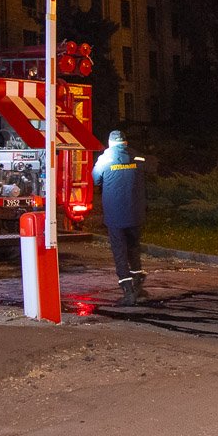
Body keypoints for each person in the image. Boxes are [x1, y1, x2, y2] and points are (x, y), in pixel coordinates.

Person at [92, 130, 147, 305]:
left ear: (110, 143)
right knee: (133, 247)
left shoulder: (105, 159)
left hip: (115, 215)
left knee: (119, 251)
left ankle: (127, 290)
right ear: (125, 142)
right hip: (135, 212)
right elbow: (144, 173)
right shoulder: (136, 157)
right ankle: (138, 284)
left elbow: (95, 179)